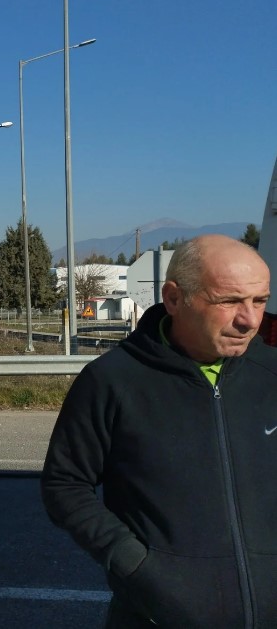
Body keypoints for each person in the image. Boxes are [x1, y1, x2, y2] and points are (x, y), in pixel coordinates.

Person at [41, 234, 277, 628]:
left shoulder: (272, 374)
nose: (250, 319)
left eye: (260, 300)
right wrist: (134, 564)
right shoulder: (112, 381)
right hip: (156, 615)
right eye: (229, 301)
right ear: (173, 298)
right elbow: (64, 485)